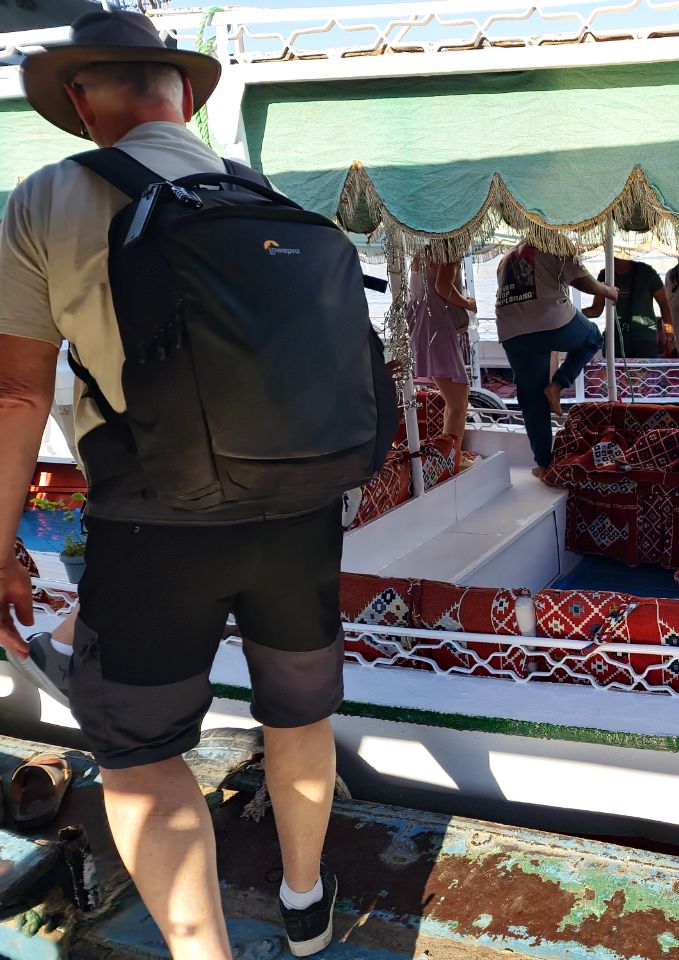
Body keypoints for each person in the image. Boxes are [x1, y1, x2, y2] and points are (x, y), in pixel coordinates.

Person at [0, 12, 344, 959]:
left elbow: (18, 393)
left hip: (155, 520)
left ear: (80, 101)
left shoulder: (47, 197)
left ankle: (203, 952)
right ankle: (306, 901)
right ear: (185, 96)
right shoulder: (260, 192)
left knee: (141, 753)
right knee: (298, 712)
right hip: (299, 510)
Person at [494, 239, 616, 477]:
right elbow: (582, 280)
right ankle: (558, 384)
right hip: (551, 321)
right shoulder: (554, 242)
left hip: (511, 331)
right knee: (592, 337)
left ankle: (543, 465)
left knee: (531, 398)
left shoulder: (506, 258)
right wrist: (607, 291)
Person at [409, 252, 475, 468]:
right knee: (458, 400)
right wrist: (468, 304)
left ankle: (451, 453)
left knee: (455, 398)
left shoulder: (421, 254)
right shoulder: (446, 251)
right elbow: (442, 286)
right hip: (436, 325)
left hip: (423, 324)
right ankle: (452, 459)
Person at [584, 255, 673, 358]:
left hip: (644, 340)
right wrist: (572, 313)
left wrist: (670, 335)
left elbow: (664, 304)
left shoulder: (646, 272)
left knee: (643, 369)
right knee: (614, 369)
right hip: (614, 339)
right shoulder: (605, 275)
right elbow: (596, 310)